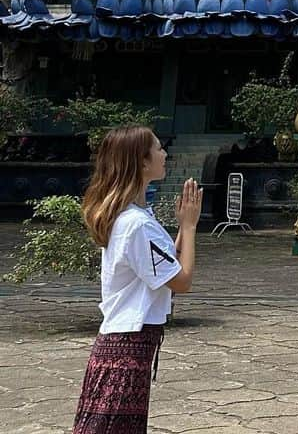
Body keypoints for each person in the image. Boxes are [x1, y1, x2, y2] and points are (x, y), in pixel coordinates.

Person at [73, 126, 202, 433]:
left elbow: (164, 265)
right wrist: (193, 228)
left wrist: (183, 226)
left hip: (125, 342)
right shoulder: (136, 224)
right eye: (158, 149)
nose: (164, 154)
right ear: (142, 162)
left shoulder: (131, 217)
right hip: (127, 346)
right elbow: (181, 281)